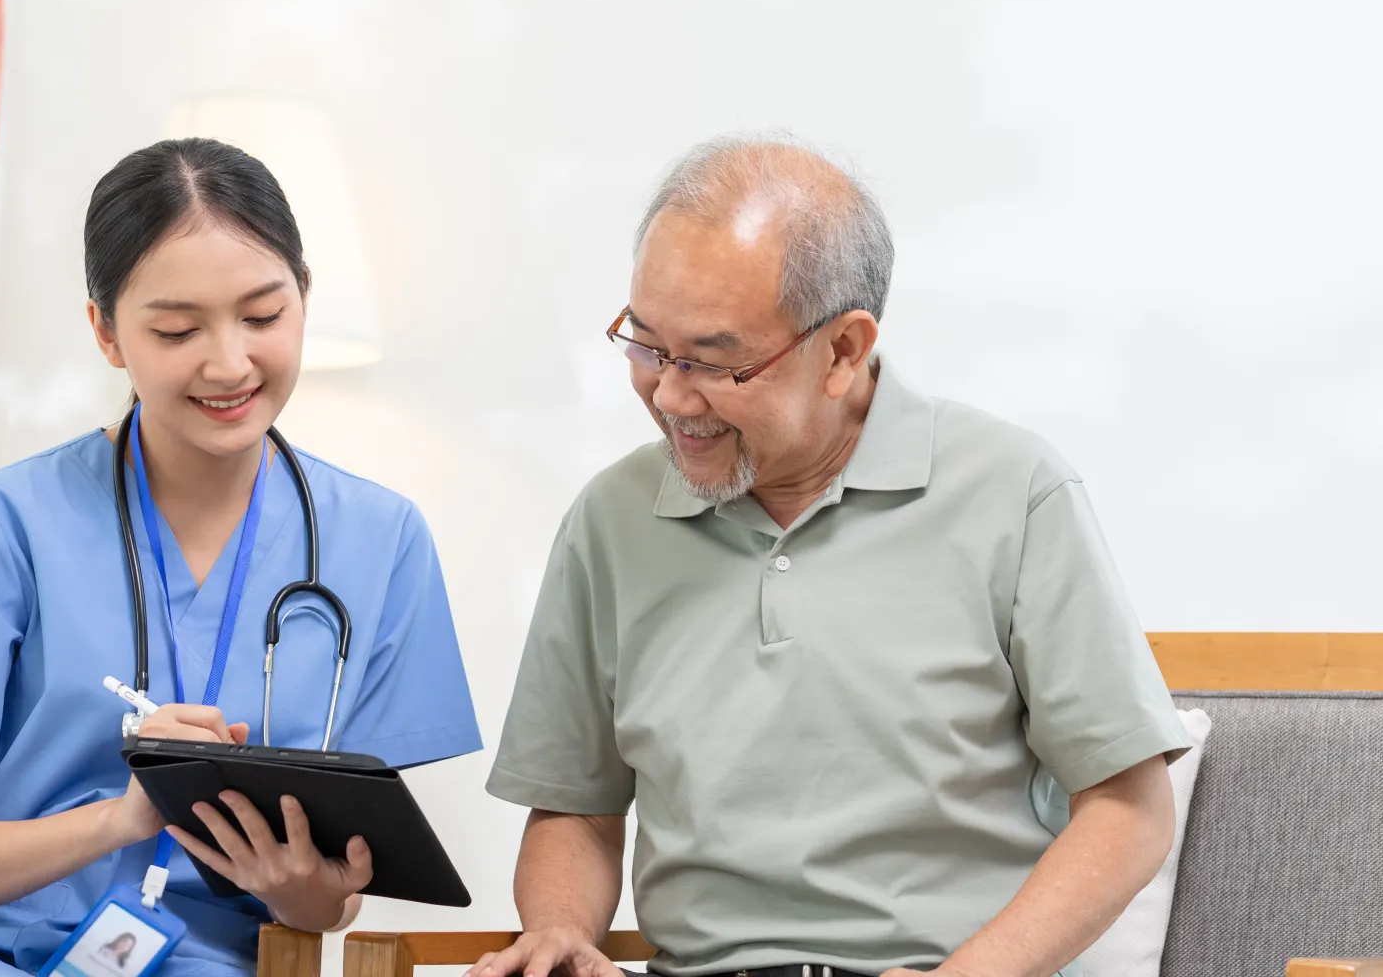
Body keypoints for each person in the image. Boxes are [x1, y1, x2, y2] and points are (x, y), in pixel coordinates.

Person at [475, 134, 1189, 977]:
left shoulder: (1014, 492)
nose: (668, 395)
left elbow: (1128, 808)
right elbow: (577, 811)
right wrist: (560, 928)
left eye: (712, 361)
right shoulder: (611, 518)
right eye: (647, 345)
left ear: (844, 350)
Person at [0, 138, 484, 976]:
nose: (230, 362)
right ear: (107, 332)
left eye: (264, 316)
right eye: (178, 329)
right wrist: (122, 819)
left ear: (304, 294)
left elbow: (331, 900)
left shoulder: (381, 542)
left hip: (193, 961)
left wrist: (303, 890)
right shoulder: (1, 525)